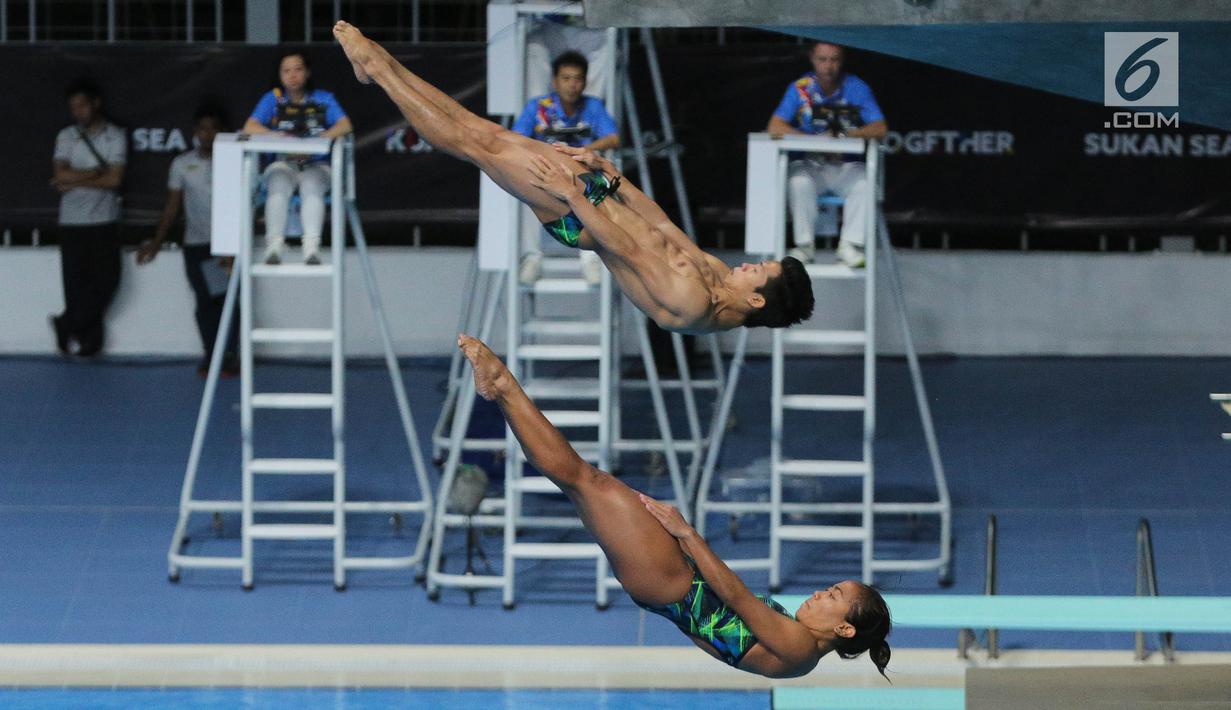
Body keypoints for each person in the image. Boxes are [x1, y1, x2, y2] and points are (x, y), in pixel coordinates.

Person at [458, 333, 892, 678]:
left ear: (844, 629)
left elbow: (736, 596)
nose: (820, 592)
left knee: (581, 478)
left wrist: (686, 534)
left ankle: (503, 385)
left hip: (673, 585)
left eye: (833, 595)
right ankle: (503, 389)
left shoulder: (800, 648)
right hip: (672, 585)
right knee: (578, 482)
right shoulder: (799, 649)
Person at [334, 22, 813, 334]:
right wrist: (614, 177)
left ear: (754, 298)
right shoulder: (714, 275)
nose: (751, 263)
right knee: (486, 134)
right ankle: (379, 65)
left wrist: (572, 194)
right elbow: (662, 228)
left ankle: (377, 68)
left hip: (578, 218)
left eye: (760, 270)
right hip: (599, 202)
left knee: (474, 145)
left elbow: (626, 249)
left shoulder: (692, 304)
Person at [137, 104, 239, 377]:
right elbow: (172, 207)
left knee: (225, 301)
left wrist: (231, 247)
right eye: (203, 128)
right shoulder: (182, 164)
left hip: (225, 245)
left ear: (222, 131)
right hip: (196, 244)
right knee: (205, 302)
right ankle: (211, 355)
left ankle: (229, 356)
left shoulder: (234, 160)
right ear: (195, 132)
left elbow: (242, 205)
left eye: (214, 128)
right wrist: (157, 242)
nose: (208, 134)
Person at [767, 42, 887, 268]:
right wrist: (813, 140)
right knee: (797, 181)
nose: (828, 66)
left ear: (842, 61)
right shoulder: (801, 87)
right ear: (812, 59)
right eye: (822, 59)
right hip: (812, 165)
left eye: (834, 60)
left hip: (844, 167)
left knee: (865, 181)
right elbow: (775, 126)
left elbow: (880, 128)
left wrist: (846, 135)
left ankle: (850, 245)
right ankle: (804, 246)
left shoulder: (856, 87)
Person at [512, 50, 620, 285]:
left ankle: (591, 260)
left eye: (578, 79)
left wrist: (586, 150)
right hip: (545, 174)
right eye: (566, 78)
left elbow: (613, 138)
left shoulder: (592, 106)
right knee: (524, 194)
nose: (572, 85)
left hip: (581, 175)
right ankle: (531, 258)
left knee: (599, 193)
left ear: (585, 82)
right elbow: (516, 138)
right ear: (555, 81)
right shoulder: (539, 107)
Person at [242, 52, 353, 265]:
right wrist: (274, 134)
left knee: (311, 186)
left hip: (317, 165)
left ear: (307, 72)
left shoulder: (323, 98)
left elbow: (345, 125)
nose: (292, 75)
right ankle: (274, 246)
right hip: (284, 163)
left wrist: (323, 137)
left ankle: (311, 248)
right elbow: (250, 126)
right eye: (286, 71)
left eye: (298, 69)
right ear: (280, 75)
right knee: (277, 183)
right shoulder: (272, 98)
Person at [50, 79, 127, 358]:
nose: (78, 112)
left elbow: (115, 179)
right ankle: (88, 343)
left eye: (82, 105)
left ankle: (66, 323)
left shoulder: (114, 136)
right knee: (76, 286)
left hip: (104, 221)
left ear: (95, 103)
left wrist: (75, 178)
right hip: (71, 222)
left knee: (108, 281)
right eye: (73, 108)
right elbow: (60, 177)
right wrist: (95, 173)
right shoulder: (66, 136)